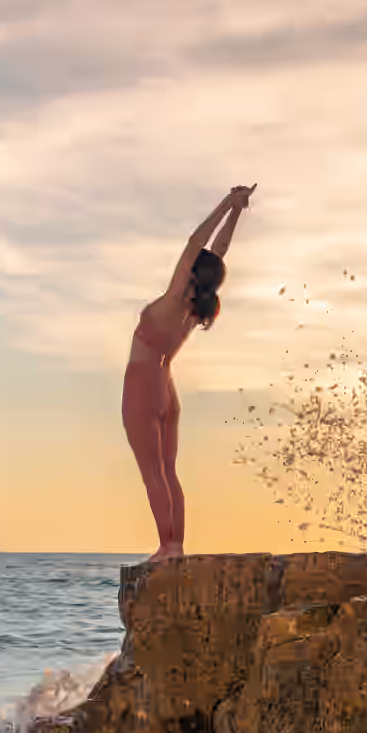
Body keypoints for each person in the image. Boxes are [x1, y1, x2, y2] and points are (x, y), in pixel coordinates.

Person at [123, 184, 256, 562]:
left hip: (143, 382)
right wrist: (237, 211)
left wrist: (227, 203)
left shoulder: (174, 298)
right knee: (169, 472)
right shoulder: (198, 307)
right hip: (167, 387)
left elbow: (197, 241)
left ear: (192, 271)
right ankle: (175, 546)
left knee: (152, 474)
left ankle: (167, 547)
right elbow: (220, 250)